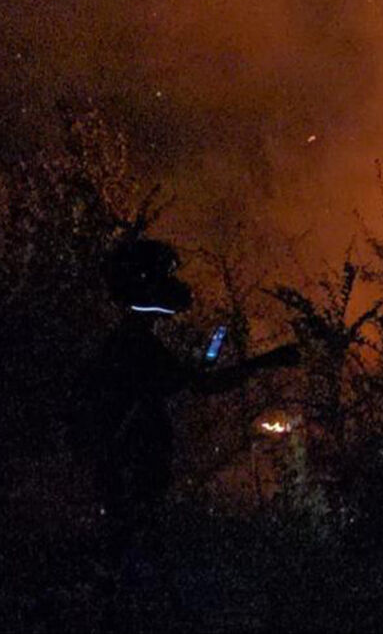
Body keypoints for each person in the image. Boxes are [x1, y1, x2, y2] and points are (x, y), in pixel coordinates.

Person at [84, 237, 299, 607]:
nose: (174, 286)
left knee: (124, 552)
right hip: (132, 471)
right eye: (163, 277)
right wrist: (266, 361)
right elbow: (203, 385)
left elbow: (184, 380)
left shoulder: (131, 340)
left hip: (128, 470)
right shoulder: (136, 344)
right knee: (130, 555)